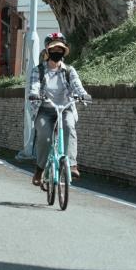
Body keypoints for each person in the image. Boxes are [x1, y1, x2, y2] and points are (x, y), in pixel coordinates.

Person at [28, 32, 92, 186]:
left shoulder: (69, 70)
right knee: (45, 136)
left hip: (65, 108)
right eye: (53, 49)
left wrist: (83, 95)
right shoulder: (39, 70)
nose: (57, 52)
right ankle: (39, 170)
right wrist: (34, 94)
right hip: (44, 110)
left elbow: (77, 86)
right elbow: (34, 85)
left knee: (69, 127)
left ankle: (72, 164)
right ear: (48, 51)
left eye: (60, 49)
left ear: (64, 52)